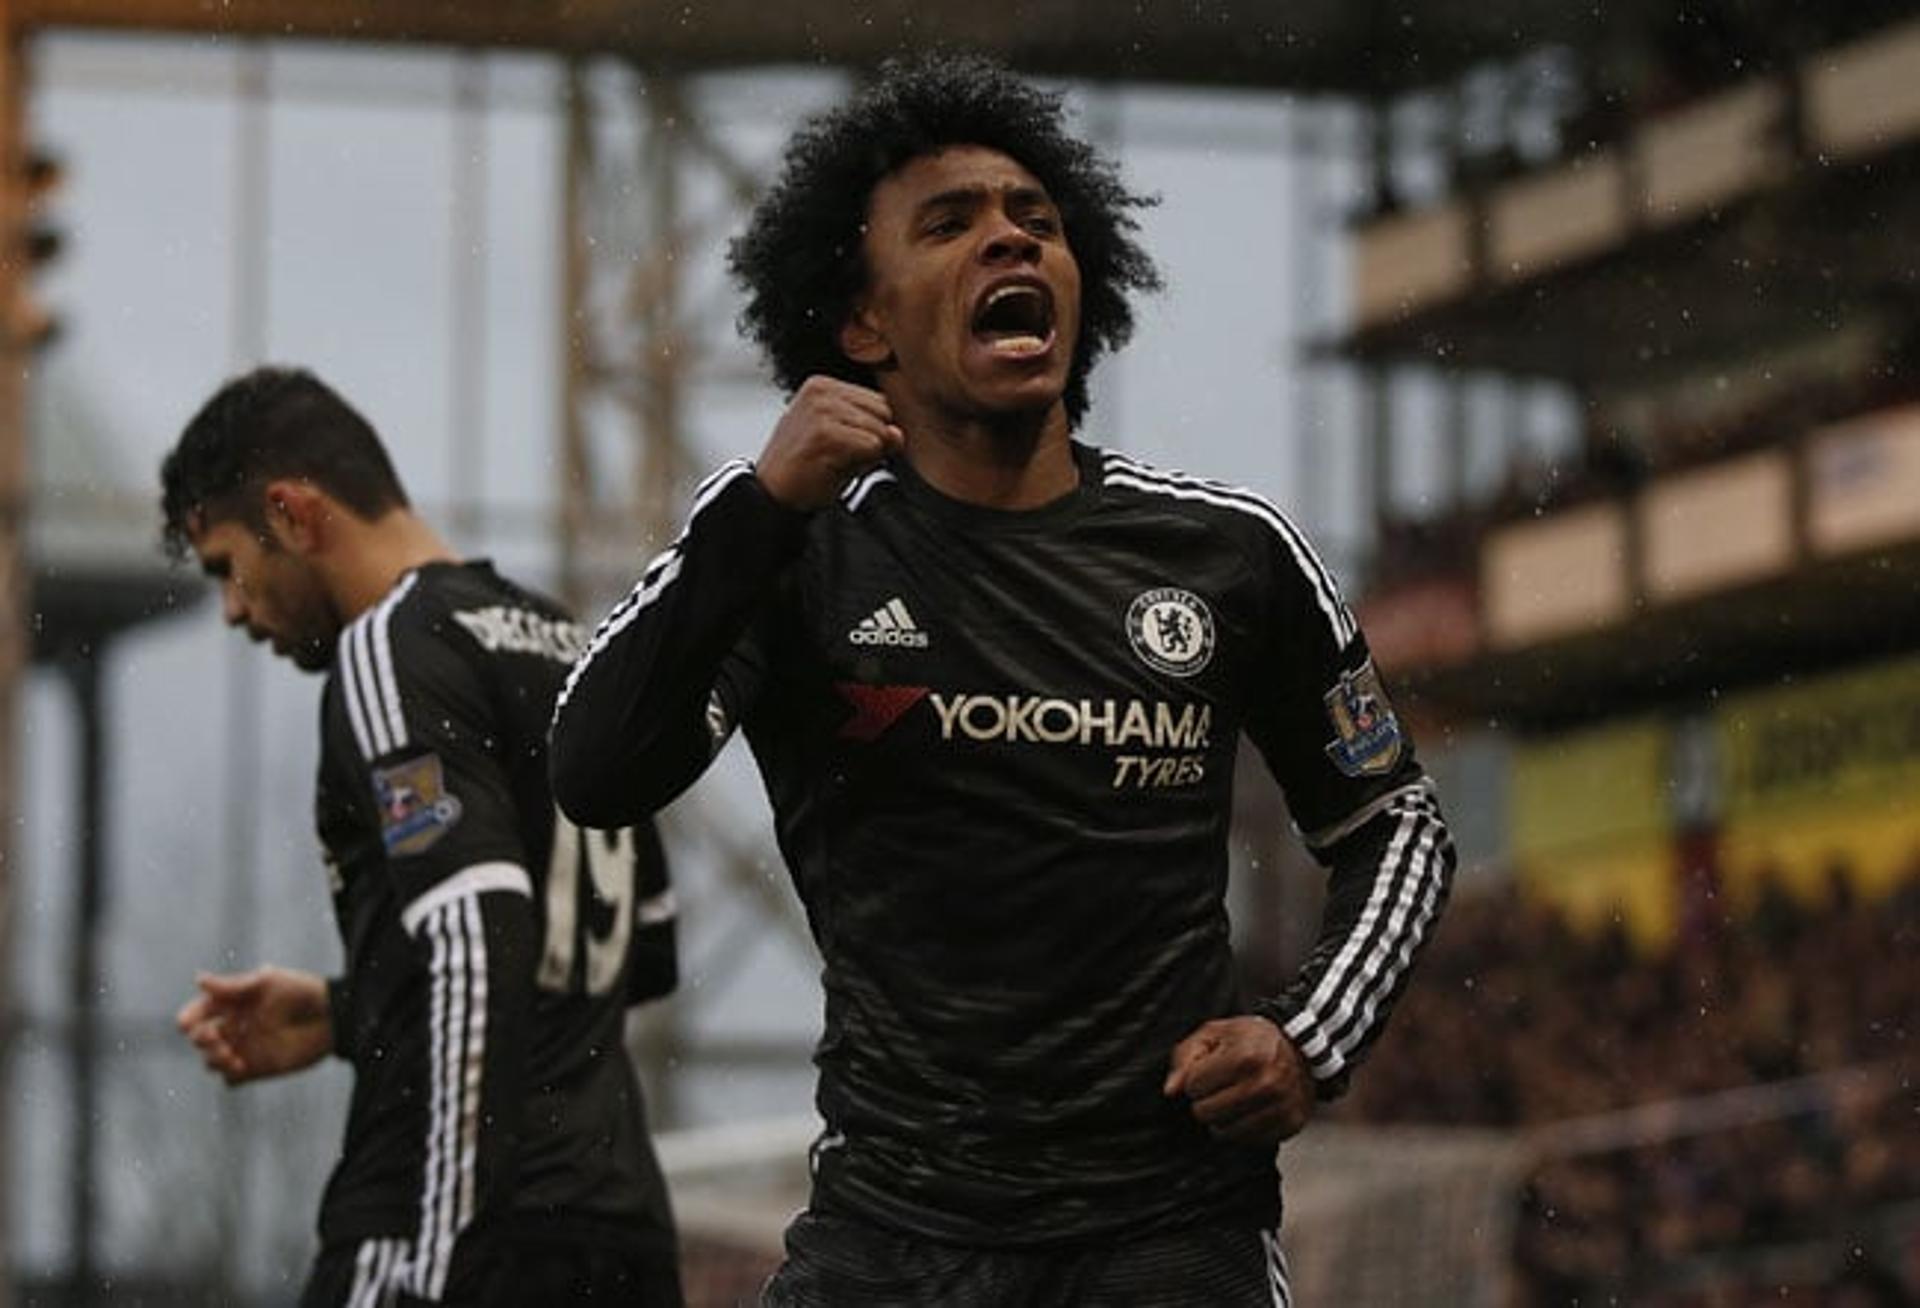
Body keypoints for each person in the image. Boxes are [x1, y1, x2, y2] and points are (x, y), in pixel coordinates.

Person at [550, 54, 1456, 1306]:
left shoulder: (1228, 553)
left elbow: (1393, 820)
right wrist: (755, 513)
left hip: (1170, 1238)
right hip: (889, 1239)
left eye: (1037, 221)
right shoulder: (790, 545)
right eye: (950, 223)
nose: (1008, 239)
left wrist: (1312, 1037)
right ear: (863, 325)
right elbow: (597, 770)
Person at [162, 367, 682, 1307]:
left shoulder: (388, 647)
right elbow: (632, 955)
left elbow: (478, 934)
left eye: (225, 568)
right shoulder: (564, 644)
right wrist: (347, 1008)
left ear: (292, 512)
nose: (234, 612)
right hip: (619, 1235)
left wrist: (446, 1252)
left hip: (446, 1225)